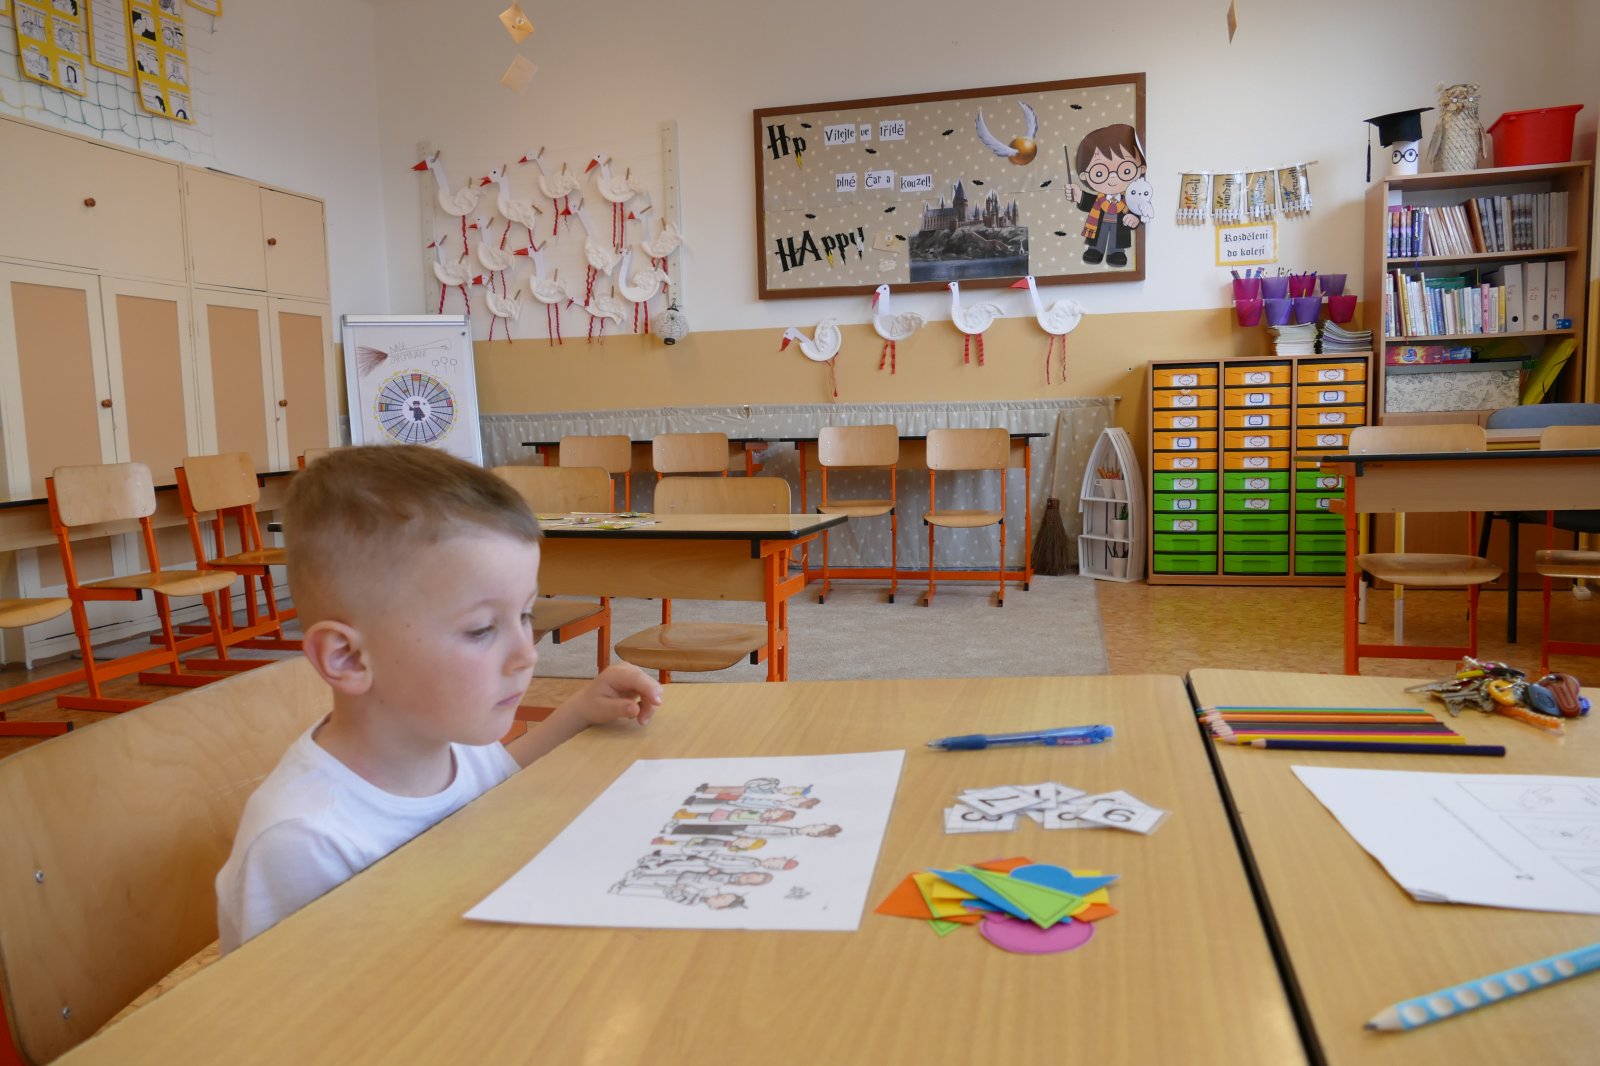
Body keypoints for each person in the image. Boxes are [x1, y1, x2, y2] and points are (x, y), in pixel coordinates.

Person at [216, 445, 664, 953]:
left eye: (525, 615)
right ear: (348, 658)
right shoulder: (304, 843)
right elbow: (292, 999)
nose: (527, 654)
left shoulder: (443, 735)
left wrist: (578, 712)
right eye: (481, 629)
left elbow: (490, 787)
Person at [1064, 123, 1146, 267]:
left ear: (1141, 169)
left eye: (1126, 170)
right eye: (1099, 173)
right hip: (1100, 220)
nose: (1113, 177)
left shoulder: (1131, 198)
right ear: (1084, 175)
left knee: (1117, 237)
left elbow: (1136, 209)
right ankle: (1096, 250)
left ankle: (1116, 252)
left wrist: (1135, 218)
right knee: (1099, 235)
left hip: (1120, 223)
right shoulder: (1099, 199)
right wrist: (1079, 195)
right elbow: (1090, 202)